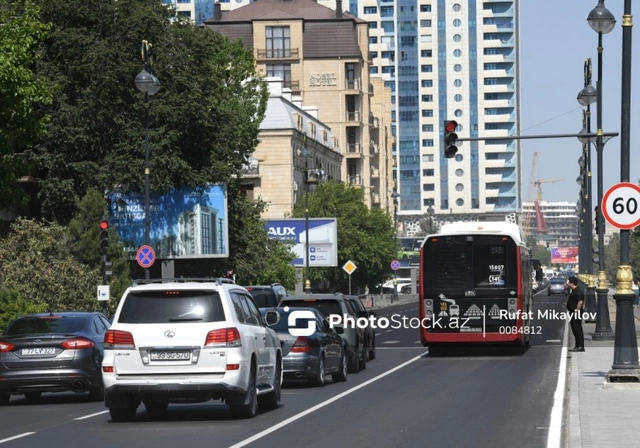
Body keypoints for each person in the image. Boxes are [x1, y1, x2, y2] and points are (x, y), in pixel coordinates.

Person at [566, 276, 585, 352]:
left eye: (568, 282)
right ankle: (577, 346)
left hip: (576, 313)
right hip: (572, 312)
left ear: (572, 283)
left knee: (577, 329)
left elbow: (580, 302)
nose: (567, 283)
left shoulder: (578, 291)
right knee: (574, 329)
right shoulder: (574, 291)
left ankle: (580, 346)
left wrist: (576, 311)